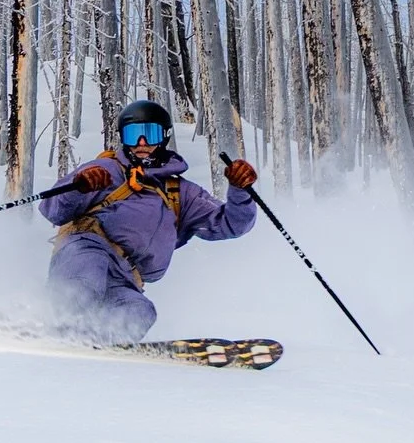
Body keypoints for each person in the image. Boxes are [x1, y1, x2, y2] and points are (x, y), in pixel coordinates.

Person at [40, 98, 259, 343]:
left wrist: (240, 191)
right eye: (134, 134)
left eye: (150, 133)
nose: (142, 143)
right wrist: (78, 187)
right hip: (86, 250)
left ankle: (101, 344)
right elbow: (51, 209)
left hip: (126, 275)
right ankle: (56, 330)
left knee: (140, 311)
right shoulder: (106, 169)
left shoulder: (180, 193)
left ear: (163, 136)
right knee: (85, 282)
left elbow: (230, 224)